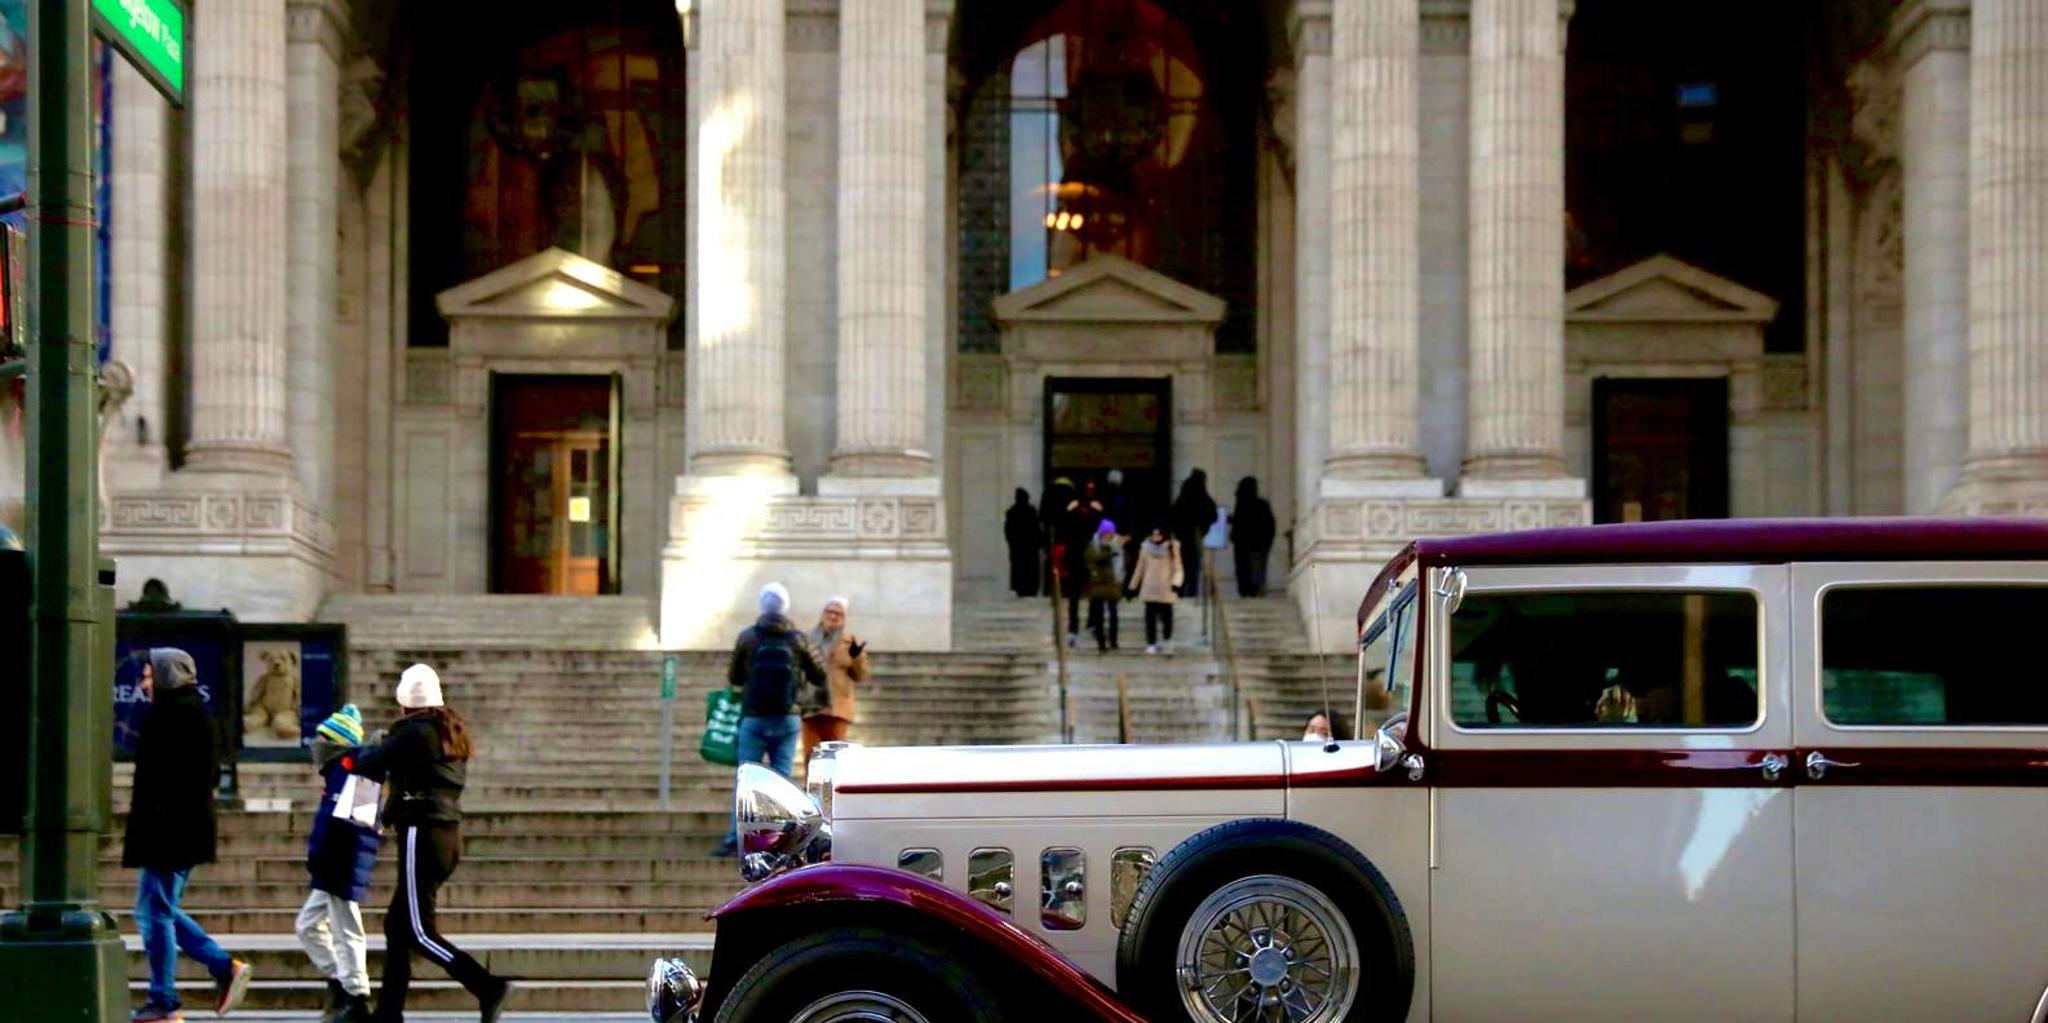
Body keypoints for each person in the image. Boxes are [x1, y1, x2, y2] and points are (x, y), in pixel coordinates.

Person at [352, 664, 513, 1023]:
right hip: (446, 836)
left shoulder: (414, 733)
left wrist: (353, 754)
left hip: (420, 834)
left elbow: (369, 763)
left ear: (405, 704)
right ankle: (388, 1012)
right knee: (397, 926)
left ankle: (486, 986)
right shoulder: (448, 731)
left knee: (419, 931)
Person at [124, 647, 254, 1023]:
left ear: (167, 675)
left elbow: (166, 783)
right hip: (177, 831)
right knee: (155, 910)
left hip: (169, 832)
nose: (144, 683)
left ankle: (166, 1000)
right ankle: (220, 967)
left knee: (156, 913)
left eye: (150, 675)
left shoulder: (175, 716)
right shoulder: (192, 713)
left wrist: (156, 825)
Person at [716, 583, 826, 856]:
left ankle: (735, 838)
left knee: (745, 779)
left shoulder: (748, 637)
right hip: (787, 717)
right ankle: (779, 841)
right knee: (783, 780)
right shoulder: (798, 639)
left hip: (754, 717)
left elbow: (735, 677)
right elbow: (819, 674)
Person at [297, 705, 379, 1023]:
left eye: (322, 739)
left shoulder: (356, 771)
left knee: (348, 930)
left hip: (341, 865)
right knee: (307, 925)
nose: (316, 744)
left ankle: (357, 995)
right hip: (331, 864)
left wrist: (334, 863)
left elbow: (358, 825)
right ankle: (342, 982)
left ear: (335, 743)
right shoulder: (338, 773)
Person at [800, 596, 870, 773]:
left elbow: (861, 675)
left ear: (844, 618)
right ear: (823, 614)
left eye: (838, 613)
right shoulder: (806, 639)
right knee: (811, 758)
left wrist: (857, 657)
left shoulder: (849, 642)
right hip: (811, 706)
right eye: (829, 612)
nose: (833, 616)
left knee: (837, 760)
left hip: (837, 708)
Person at [1059, 479, 1106, 647]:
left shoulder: (1097, 509)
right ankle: (1073, 630)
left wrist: (1098, 511)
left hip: (1092, 558)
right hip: (1076, 557)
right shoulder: (1072, 509)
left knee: (1095, 594)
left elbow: (1103, 530)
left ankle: (1092, 623)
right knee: (1074, 596)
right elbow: (1064, 527)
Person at [1125, 525, 1184, 654]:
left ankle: (1167, 640)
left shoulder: (1172, 548)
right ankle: (1151, 643)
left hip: (1166, 588)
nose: (1156, 537)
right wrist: (1132, 587)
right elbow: (1139, 569)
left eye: (1158, 535)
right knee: (1150, 618)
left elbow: (1178, 567)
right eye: (1153, 535)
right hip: (1149, 588)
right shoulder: (1145, 548)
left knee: (1166, 618)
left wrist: (1176, 583)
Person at [1171, 469, 1217, 599]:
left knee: (1182, 566)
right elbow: (1212, 514)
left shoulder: (1184, 494)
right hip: (1194, 534)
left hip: (1182, 534)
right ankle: (1192, 592)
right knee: (1193, 566)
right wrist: (1203, 526)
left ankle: (1180, 592)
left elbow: (1174, 514)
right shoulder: (1202, 494)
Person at [1082, 519, 1125, 651]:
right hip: (1098, 583)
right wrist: (1108, 553)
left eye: (1110, 532)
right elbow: (1091, 560)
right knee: (1098, 614)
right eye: (1105, 532)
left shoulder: (1117, 545)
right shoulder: (1093, 545)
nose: (1108, 535)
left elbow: (1121, 562)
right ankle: (1101, 642)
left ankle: (1113, 640)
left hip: (1113, 583)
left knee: (1113, 614)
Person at [1230, 476, 1277, 597]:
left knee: (1246, 575)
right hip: (1257, 548)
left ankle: (1250, 593)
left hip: (1246, 549)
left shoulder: (1242, 506)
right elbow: (1270, 527)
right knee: (1256, 575)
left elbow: (1238, 528)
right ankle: (1255, 594)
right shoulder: (1262, 505)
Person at [1003, 488, 1042, 597]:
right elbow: (1036, 529)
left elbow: (1008, 531)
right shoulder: (1030, 511)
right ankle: (1028, 589)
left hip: (1020, 548)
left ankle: (1022, 589)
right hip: (1028, 548)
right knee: (1029, 571)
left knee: (1020, 570)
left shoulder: (1012, 512)